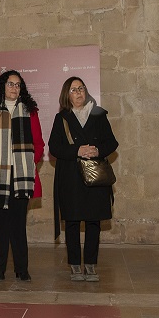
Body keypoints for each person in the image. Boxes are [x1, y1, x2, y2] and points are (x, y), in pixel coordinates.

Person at [0, 71, 45, 281]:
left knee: (18, 226)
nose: (14, 88)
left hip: (21, 176)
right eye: (10, 84)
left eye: (18, 85)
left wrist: (28, 162)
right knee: (0, 226)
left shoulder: (30, 111)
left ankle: (22, 270)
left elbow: (39, 143)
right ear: (2, 87)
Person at [48, 76, 118, 282]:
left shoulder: (99, 115)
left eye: (81, 88)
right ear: (66, 95)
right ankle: (75, 265)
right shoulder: (61, 118)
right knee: (71, 221)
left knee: (93, 221)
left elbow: (112, 143)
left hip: (94, 176)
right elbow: (54, 147)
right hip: (70, 176)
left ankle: (90, 264)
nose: (78, 92)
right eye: (73, 90)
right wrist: (77, 150)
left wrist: (96, 150)